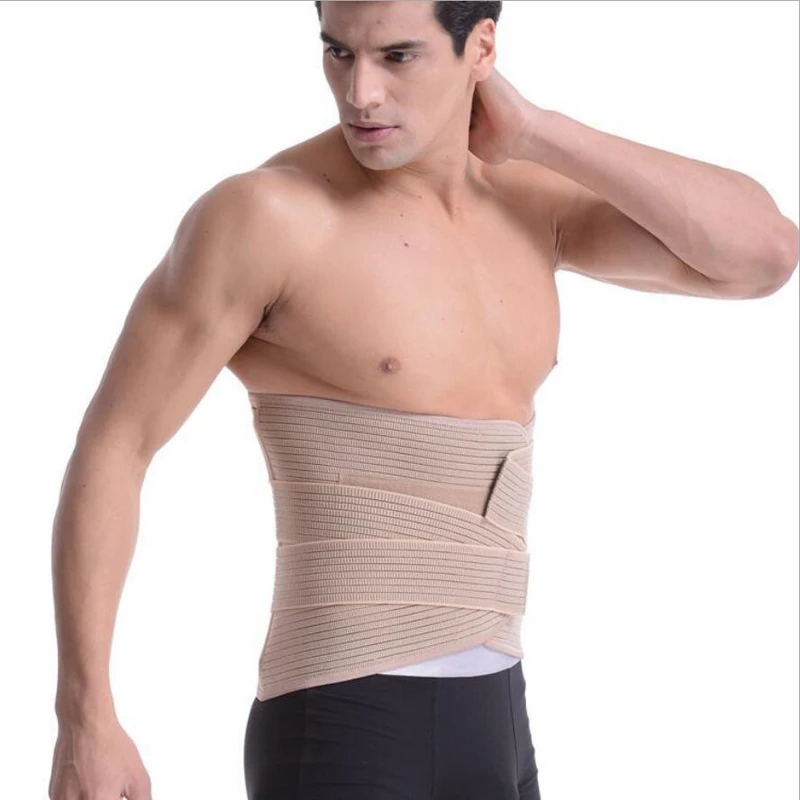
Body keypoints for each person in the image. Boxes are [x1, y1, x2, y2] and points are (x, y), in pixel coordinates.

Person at [48, 1, 798, 799]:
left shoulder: (530, 205)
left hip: (500, 715)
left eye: (397, 57)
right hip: (343, 719)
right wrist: (85, 715)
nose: (360, 93)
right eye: (338, 53)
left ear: (481, 48)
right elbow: (116, 446)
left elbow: (763, 256)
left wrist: (539, 132)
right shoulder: (268, 216)